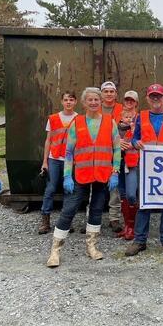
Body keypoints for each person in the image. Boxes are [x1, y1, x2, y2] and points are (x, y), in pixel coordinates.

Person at [46, 87, 121, 267]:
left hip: (102, 176)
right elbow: (69, 152)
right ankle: (55, 251)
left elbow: (117, 149)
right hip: (80, 175)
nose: (94, 102)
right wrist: (67, 176)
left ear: (101, 101)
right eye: (90, 100)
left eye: (97, 99)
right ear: (84, 102)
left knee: (96, 211)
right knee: (69, 210)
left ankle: (92, 247)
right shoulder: (76, 122)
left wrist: (115, 172)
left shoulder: (110, 122)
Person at [125, 83, 163, 257]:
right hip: (147, 168)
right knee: (144, 203)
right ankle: (139, 240)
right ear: (148, 99)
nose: (156, 99)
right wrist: (136, 143)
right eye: (152, 96)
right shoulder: (140, 116)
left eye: (159, 96)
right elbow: (134, 140)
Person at [38, 91, 78, 234]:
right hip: (54, 158)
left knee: (69, 189)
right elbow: (48, 140)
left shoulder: (79, 119)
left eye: (71, 100)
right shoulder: (53, 118)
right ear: (62, 102)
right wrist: (45, 162)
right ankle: (45, 220)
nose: (68, 102)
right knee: (51, 188)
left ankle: (66, 220)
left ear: (75, 102)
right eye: (66, 100)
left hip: (70, 160)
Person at [100, 80, 124, 234]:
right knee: (94, 186)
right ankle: (92, 218)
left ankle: (114, 218)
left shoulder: (123, 109)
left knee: (114, 188)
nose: (109, 94)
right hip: (99, 153)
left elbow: (130, 127)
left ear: (116, 94)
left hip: (117, 153)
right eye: (106, 91)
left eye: (111, 91)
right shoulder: (94, 109)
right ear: (101, 94)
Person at [117, 91, 139, 240]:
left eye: (132, 100)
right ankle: (127, 226)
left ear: (136, 102)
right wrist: (117, 142)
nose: (129, 102)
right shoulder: (117, 121)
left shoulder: (140, 119)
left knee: (132, 194)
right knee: (123, 194)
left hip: (133, 162)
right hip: (119, 161)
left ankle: (134, 225)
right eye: (127, 100)